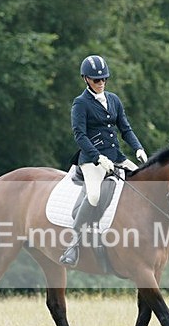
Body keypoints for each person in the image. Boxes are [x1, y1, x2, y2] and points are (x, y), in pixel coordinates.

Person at [59, 55, 148, 267]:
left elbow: (125, 128)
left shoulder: (114, 100)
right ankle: (73, 244)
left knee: (144, 183)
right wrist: (98, 158)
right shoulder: (80, 103)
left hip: (117, 157)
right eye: (96, 80)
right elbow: (80, 135)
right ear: (86, 80)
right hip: (91, 160)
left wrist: (138, 148)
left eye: (104, 79)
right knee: (95, 196)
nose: (101, 83)